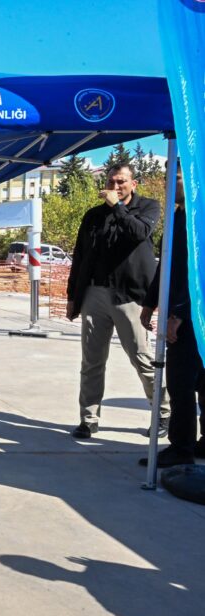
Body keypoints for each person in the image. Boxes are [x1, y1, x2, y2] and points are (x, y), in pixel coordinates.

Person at [66, 163, 169, 439]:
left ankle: (163, 414)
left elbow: (138, 234)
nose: (115, 186)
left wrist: (117, 208)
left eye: (121, 181)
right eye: (111, 181)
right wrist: (73, 296)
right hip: (94, 293)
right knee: (92, 361)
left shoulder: (148, 207)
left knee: (142, 358)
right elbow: (80, 256)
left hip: (129, 296)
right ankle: (89, 419)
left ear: (133, 184)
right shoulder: (93, 216)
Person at [138, 164, 203, 468]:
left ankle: (182, 447)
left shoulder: (197, 216)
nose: (168, 182)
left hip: (192, 314)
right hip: (183, 311)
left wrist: (178, 313)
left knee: (181, 383)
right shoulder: (178, 215)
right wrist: (151, 303)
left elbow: (196, 272)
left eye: (174, 177)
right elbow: (167, 266)